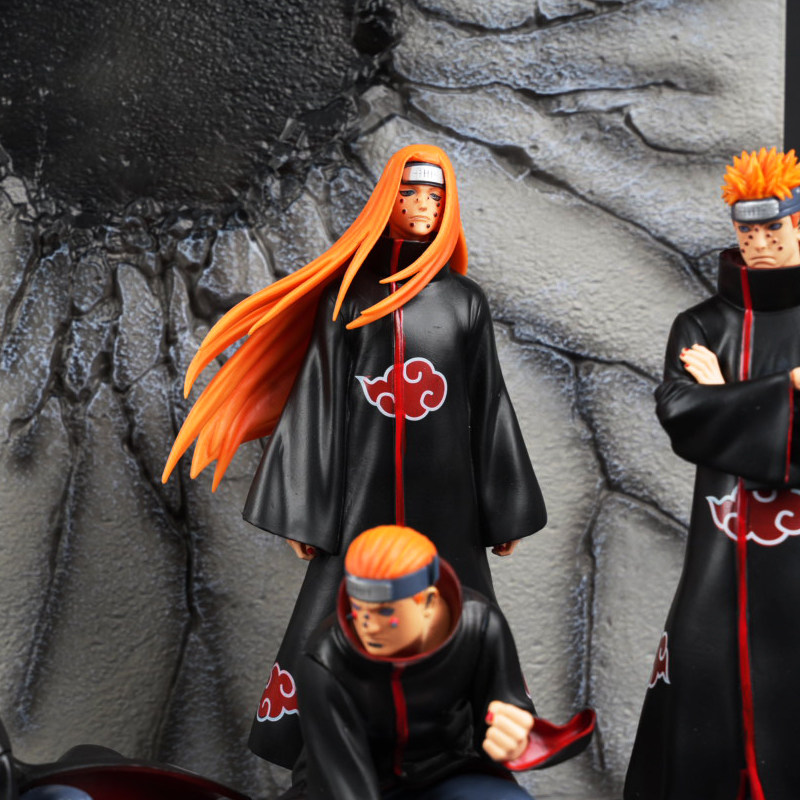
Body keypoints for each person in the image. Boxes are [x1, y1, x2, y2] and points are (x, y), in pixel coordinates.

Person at [161, 145, 547, 768]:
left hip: (448, 501)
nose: (422, 207)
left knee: (461, 610)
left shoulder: (465, 301)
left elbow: (489, 404)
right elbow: (317, 401)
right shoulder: (346, 297)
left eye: (435, 197)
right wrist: (305, 509)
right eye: (410, 194)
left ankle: (461, 750)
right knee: (335, 615)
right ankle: (328, 751)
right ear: (387, 201)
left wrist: (503, 509)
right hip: (362, 498)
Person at [625, 148, 800, 800]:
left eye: (773, 229)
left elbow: (706, 418)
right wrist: (785, 391)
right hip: (720, 557)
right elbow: (682, 419)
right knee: (704, 700)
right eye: (747, 232)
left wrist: (726, 397)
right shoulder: (702, 324)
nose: (759, 244)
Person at [292, 525, 594, 800]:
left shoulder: (479, 626)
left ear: (428, 601)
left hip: (449, 772)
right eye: (359, 610)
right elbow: (341, 778)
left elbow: (505, 707)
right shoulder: (326, 655)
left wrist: (516, 739)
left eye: (385, 612)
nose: (368, 626)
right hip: (350, 779)